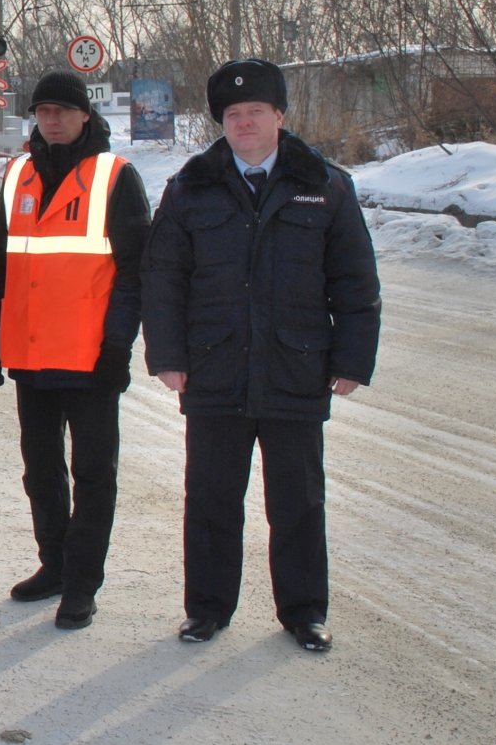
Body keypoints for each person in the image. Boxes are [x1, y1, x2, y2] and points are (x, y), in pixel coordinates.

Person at [142, 58, 381, 653]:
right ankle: (207, 609)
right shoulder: (190, 187)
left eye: (255, 112)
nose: (244, 123)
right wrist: (167, 355)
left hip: (295, 365)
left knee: (298, 501)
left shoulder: (324, 185)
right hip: (214, 365)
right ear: (220, 121)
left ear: (279, 115)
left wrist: (352, 359)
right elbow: (163, 278)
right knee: (212, 498)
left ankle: (303, 612)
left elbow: (355, 280)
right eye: (232, 114)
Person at [0, 70, 149, 631]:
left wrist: (118, 347)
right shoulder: (19, 174)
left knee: (93, 475)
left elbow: (133, 273)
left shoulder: (114, 176)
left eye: (62, 111)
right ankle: (53, 563)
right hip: (30, 355)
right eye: (42, 112)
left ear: (84, 117)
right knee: (40, 469)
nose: (51, 121)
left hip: (90, 358)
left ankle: (81, 584)